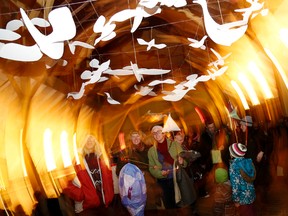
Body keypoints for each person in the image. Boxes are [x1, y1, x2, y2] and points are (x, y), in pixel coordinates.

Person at [63, 134, 114, 214]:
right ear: (83, 142)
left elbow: (109, 178)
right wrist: (82, 195)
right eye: (87, 139)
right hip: (87, 208)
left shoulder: (101, 158)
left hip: (105, 204)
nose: (89, 141)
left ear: (95, 141)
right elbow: (67, 182)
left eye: (91, 138)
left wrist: (110, 193)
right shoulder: (77, 160)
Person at [116, 130, 161, 210]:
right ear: (130, 139)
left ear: (141, 137)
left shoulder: (148, 149)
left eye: (138, 136)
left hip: (148, 183)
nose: (136, 138)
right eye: (133, 136)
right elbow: (119, 171)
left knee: (151, 205)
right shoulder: (125, 152)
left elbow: (155, 163)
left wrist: (155, 166)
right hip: (133, 185)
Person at [147, 125, 185, 209]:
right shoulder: (151, 151)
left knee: (179, 203)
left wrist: (182, 162)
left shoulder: (175, 144)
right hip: (163, 182)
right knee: (168, 204)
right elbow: (151, 168)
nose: (157, 134)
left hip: (177, 178)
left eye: (159, 131)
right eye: (154, 133)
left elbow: (185, 160)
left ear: (164, 133)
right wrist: (160, 173)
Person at [229, 142, 257, 216]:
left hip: (242, 197)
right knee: (251, 212)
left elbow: (235, 185)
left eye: (230, 152)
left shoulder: (234, 166)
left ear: (233, 154)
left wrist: (236, 200)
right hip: (251, 194)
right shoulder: (248, 162)